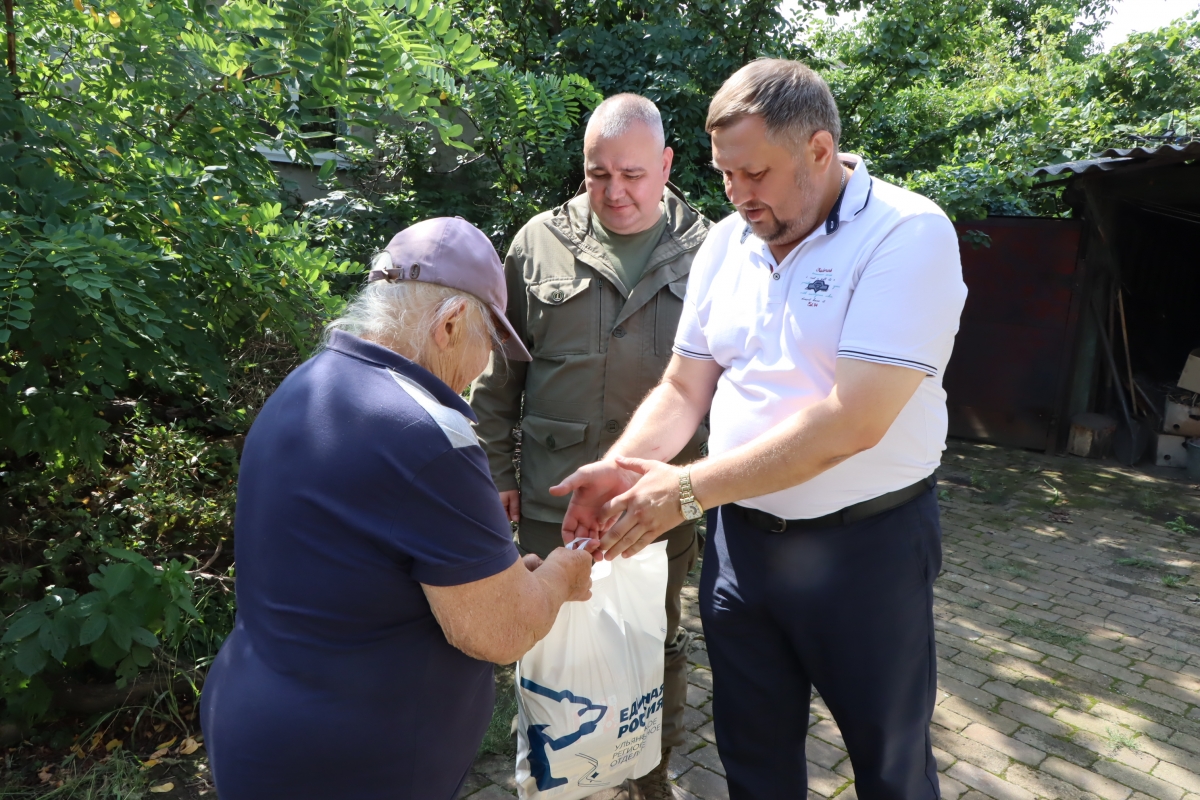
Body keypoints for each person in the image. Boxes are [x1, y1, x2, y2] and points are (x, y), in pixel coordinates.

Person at [552, 60, 968, 800]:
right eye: (725, 176)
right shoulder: (726, 245)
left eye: (756, 173)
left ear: (818, 148)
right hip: (741, 546)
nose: (740, 195)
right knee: (753, 760)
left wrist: (683, 490)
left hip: (866, 551)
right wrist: (624, 467)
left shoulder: (907, 234)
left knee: (891, 767)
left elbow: (853, 420)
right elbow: (686, 385)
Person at [199, 218, 597, 800]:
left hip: (262, 722)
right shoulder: (428, 433)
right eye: (489, 340)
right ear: (452, 324)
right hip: (354, 765)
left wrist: (509, 581)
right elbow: (501, 631)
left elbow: (370, 566)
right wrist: (561, 576)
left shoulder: (308, 385)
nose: (485, 364)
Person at [468, 93, 712, 798]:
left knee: (654, 640)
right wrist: (494, 470)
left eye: (633, 174)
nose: (615, 192)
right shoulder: (536, 242)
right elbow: (499, 373)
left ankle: (647, 770)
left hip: (657, 499)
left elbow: (734, 382)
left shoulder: (713, 251)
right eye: (597, 173)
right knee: (549, 641)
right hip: (556, 493)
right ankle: (553, 778)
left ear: (666, 165)